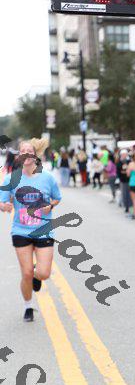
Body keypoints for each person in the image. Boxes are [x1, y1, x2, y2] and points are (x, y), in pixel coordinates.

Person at [0, 138, 61, 322]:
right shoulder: (11, 179)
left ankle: (36, 274)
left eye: (30, 151)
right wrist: (5, 206)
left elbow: (57, 198)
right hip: (21, 230)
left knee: (44, 273)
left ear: (35, 156)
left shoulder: (47, 178)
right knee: (25, 273)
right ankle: (28, 306)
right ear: (19, 156)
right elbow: (2, 201)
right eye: (23, 151)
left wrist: (50, 205)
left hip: (43, 230)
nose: (26, 154)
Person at [117, 149, 132, 214]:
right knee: (124, 194)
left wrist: (124, 171)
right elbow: (118, 171)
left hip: (130, 180)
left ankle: (130, 206)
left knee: (130, 194)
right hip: (123, 180)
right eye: (123, 154)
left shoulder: (129, 161)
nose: (124, 155)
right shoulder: (119, 162)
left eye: (125, 154)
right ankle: (126, 206)